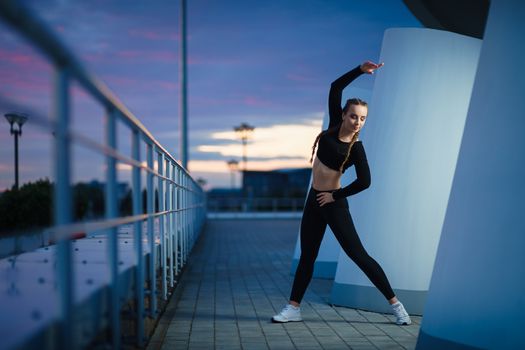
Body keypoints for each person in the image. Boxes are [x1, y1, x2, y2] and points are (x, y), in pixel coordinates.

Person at [271, 61, 411, 325]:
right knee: (307, 257)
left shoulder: (356, 149)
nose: (357, 121)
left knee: (358, 255)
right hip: (314, 200)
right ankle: (293, 308)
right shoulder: (334, 126)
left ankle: (397, 306)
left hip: (333, 204)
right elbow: (335, 87)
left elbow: (365, 181)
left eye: (362, 118)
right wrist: (360, 70)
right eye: (353, 116)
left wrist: (335, 196)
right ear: (344, 115)